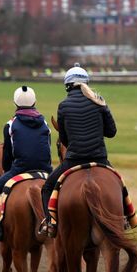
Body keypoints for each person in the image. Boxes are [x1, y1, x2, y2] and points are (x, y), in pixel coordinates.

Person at [40, 63, 116, 237]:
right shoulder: (99, 100)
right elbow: (111, 132)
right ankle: (127, 218)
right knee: (119, 184)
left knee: (47, 187)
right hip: (100, 159)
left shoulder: (63, 106)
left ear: (67, 86)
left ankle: (50, 223)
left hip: (73, 160)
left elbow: (64, 139)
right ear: (86, 83)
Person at [0, 86, 52, 241]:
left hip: (20, 169)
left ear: (15, 103)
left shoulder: (10, 124)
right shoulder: (45, 123)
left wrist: (9, 170)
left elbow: (7, 154)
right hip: (45, 169)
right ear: (34, 101)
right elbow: (47, 148)